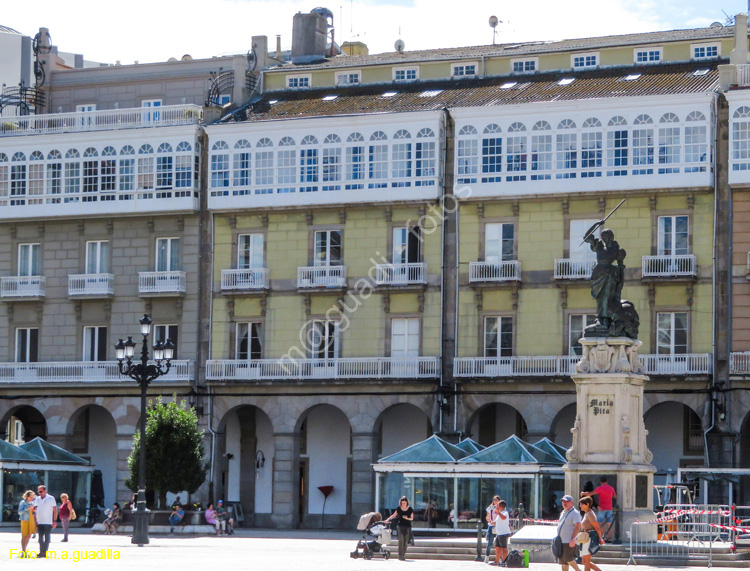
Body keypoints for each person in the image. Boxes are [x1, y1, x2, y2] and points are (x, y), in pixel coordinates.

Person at [580, 476, 617, 540]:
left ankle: (602, 536)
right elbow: (615, 496)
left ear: (600, 481)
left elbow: (590, 494)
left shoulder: (600, 488)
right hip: (609, 508)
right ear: (606, 481)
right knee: (609, 523)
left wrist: (583, 493)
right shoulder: (611, 488)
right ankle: (609, 537)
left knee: (599, 523)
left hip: (602, 508)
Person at [578, 497, 604, 571]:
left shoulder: (590, 514)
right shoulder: (587, 513)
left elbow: (597, 527)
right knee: (584, 561)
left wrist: (600, 538)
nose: (580, 505)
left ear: (587, 504)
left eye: (582, 504)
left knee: (586, 560)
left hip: (590, 537)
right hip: (585, 538)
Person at [557, 494, 582, 571]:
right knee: (563, 562)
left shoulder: (575, 513)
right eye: (563, 502)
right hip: (561, 541)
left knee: (567, 558)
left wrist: (573, 539)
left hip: (569, 541)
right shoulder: (563, 512)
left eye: (566, 502)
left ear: (571, 503)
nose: (564, 503)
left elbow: (578, 526)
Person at [384, 496, 414, 561]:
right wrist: (387, 519)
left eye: (404, 503)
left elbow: (412, 518)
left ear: (407, 503)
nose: (403, 504)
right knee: (401, 541)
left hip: (407, 526)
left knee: (405, 542)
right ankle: (400, 556)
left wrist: (407, 518)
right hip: (400, 526)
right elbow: (393, 515)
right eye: (402, 503)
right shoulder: (399, 509)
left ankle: (403, 554)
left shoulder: (410, 509)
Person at [32, 485, 57, 559]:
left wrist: (54, 520)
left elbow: (55, 510)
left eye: (41, 491)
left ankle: (44, 551)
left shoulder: (51, 498)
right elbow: (35, 511)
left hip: (48, 521)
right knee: (40, 538)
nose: (39, 493)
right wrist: (35, 521)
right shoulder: (37, 499)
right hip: (39, 521)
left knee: (47, 537)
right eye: (38, 491)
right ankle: (41, 551)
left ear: (45, 491)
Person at [491, 500, 511, 566]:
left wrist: (498, 512)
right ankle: (497, 561)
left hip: (504, 533)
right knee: (497, 547)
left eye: (497, 505)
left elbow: (504, 518)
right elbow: (498, 521)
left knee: (504, 548)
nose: (496, 506)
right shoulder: (500, 513)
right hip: (499, 533)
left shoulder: (505, 512)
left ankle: (504, 561)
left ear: (500, 506)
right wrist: (492, 522)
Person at [18, 490, 36, 557]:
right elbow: (19, 512)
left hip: (31, 520)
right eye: (31, 497)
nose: (32, 498)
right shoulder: (23, 503)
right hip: (24, 520)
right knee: (24, 535)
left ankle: (25, 550)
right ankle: (23, 551)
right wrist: (27, 509)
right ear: (27, 496)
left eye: (32, 497)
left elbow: (33, 512)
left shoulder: (32, 503)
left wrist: (34, 511)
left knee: (29, 535)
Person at [484, 496, 500, 563]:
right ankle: (487, 556)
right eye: (494, 500)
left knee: (499, 543)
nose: (495, 501)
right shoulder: (490, 507)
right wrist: (489, 520)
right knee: (490, 542)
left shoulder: (500, 507)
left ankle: (499, 558)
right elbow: (487, 516)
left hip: (498, 526)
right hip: (491, 525)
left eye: (496, 500)